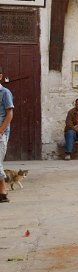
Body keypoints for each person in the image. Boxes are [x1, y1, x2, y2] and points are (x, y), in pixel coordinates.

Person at [0, 65, 14, 203]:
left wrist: (1, 131)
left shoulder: (5, 93)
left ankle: (3, 190)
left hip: (1, 133)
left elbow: (9, 114)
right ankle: (2, 191)